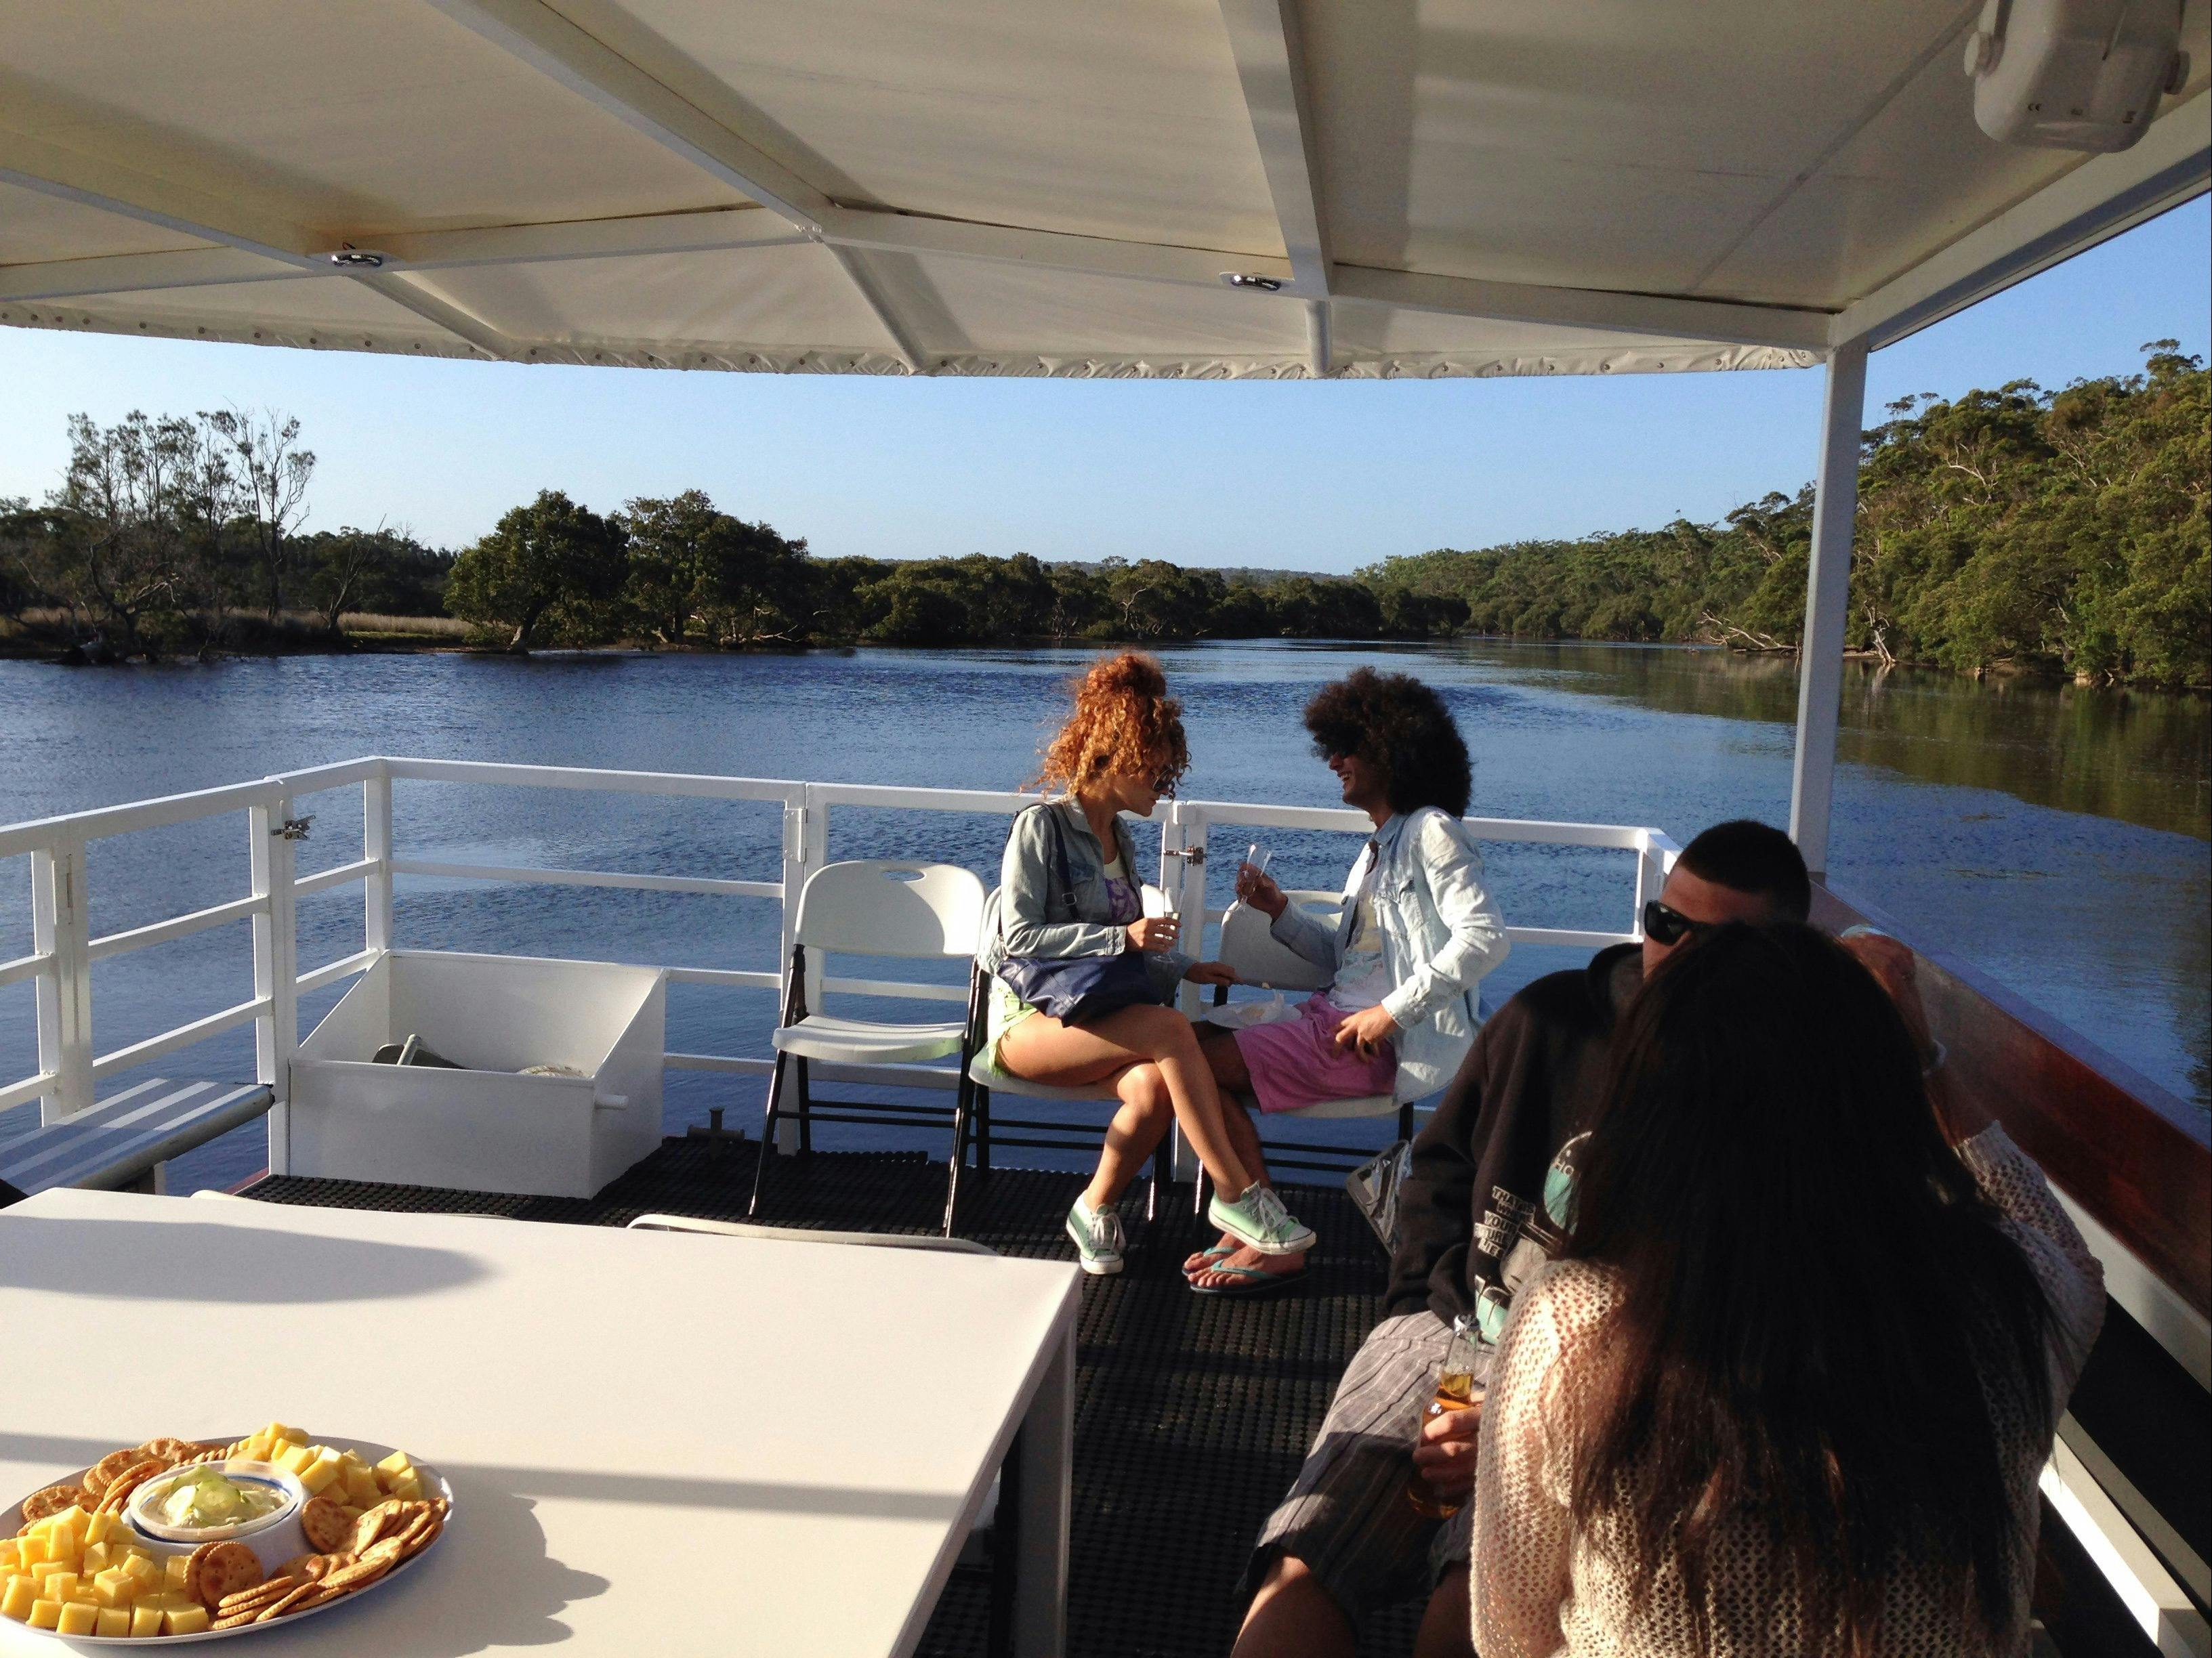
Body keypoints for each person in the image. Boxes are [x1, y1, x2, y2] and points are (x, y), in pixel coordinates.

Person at [1233, 818, 1814, 1658]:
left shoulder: (1785, 1108)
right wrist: (1415, 1306)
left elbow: (1724, 1341)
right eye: (1664, 923)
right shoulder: (1550, 1021)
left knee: (1470, 1610)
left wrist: (1534, 1428)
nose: (1676, 956)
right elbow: (1440, 1169)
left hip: (1598, 1406)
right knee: (1304, 1559)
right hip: (1457, 1331)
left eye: (1715, 946)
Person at [1471, 921, 2102, 1657]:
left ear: (1652, 1116)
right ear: (1886, 1105)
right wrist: (1928, 1063)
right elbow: (2071, 1265)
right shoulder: (2002, 1304)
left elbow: (1508, 1636)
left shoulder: (1576, 1326)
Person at [976, 652, 1316, 1276]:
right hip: (1027, 1024)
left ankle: (1093, 1207)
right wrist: (1121, 939)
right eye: (1155, 771)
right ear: (1114, 757)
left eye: (1168, 773)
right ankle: (1236, 1196)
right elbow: (1020, 935)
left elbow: (1123, 952)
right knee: (1169, 1030)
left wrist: (1184, 968)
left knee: (1157, 1083)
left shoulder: (1123, 840)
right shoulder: (1040, 826)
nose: (1164, 786)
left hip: (1090, 1016)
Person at [1184, 668, 1509, 1298]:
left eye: (1347, 748)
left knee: (1187, 1063)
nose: (1334, 762)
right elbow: (1346, 962)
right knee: (1182, 1045)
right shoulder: (1377, 849)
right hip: (1329, 1017)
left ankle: (1268, 1235)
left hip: (1368, 1041)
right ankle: (1254, 1218)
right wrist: (1279, 911)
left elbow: (1484, 938)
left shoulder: (1431, 831)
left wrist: (1390, 1014)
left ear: (1392, 750)